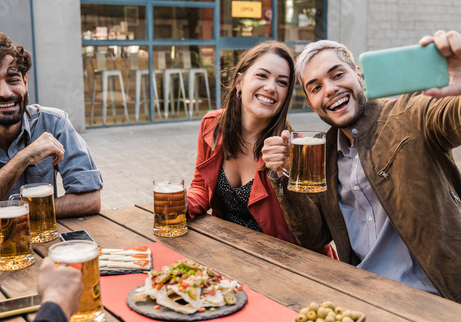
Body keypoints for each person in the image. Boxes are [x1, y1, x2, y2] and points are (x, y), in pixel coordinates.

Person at [262, 30, 461, 303]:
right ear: (310, 103)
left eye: (337, 75)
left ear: (358, 74)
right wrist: (284, 174)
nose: (330, 89)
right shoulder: (323, 154)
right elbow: (313, 236)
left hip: (436, 297)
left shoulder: (411, 113)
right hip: (361, 295)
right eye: (316, 87)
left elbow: (453, 117)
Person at [186, 40, 336, 258]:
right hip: (229, 251)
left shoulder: (292, 148)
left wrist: (285, 173)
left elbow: (313, 231)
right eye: (262, 76)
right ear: (239, 81)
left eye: (282, 82)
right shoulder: (212, 125)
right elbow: (200, 185)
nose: (270, 87)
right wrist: (184, 203)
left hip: (286, 261)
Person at [0, 28, 103, 222]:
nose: (5, 92)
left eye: (13, 80)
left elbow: (90, 199)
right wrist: (24, 158)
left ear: (25, 83)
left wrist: (21, 213)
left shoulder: (54, 123)